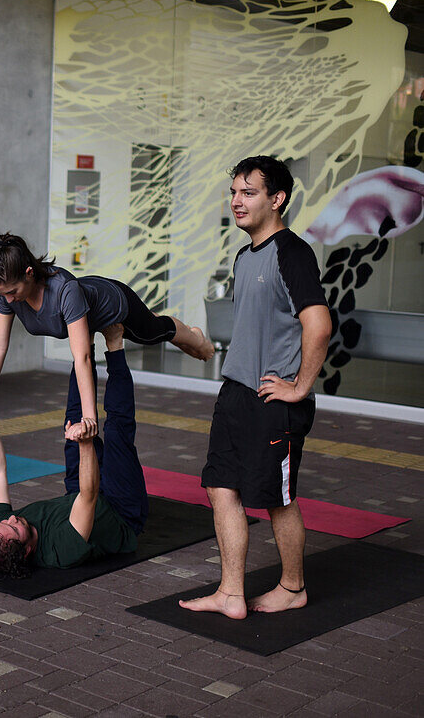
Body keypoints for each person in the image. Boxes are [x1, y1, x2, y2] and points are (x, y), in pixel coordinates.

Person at [179, 156, 331, 619]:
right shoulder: (245, 256)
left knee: (275, 499)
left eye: (248, 192)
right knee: (221, 487)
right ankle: (230, 593)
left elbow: (319, 325)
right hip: (237, 393)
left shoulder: (293, 252)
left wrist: (299, 387)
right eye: (234, 192)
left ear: (277, 199)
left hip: (273, 400)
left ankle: (293, 586)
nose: (236, 202)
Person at [0, 232, 214, 468]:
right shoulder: (6, 294)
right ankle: (161, 322)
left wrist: (89, 417)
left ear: (29, 273)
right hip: (86, 311)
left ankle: (193, 336)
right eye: (1, 294)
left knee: (151, 332)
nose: (8, 300)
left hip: (114, 303)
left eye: (12, 292)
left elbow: (83, 357)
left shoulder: (64, 290)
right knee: (141, 326)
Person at [0, 323, 146, 575]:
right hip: (120, 510)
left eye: (5, 521)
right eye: (14, 528)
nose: (11, 518)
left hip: (76, 496)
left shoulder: (1, 533)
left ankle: (86, 342)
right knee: (116, 430)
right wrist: (85, 442)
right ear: (26, 551)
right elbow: (89, 496)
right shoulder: (61, 550)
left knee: (74, 417)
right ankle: (115, 344)